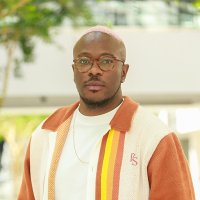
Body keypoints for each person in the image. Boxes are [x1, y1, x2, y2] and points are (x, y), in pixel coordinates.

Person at [18, 26, 195, 200]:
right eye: (84, 61)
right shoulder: (46, 133)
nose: (94, 70)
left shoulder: (154, 137)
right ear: (74, 71)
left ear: (123, 72)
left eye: (106, 61)